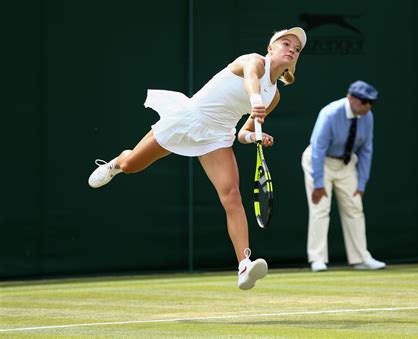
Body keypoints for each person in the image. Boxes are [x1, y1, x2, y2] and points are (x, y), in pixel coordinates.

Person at [88, 27, 307, 289]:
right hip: (188, 119)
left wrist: (256, 138)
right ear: (270, 48)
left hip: (216, 137)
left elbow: (244, 133)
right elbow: (251, 77)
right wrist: (255, 96)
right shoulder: (253, 61)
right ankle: (116, 163)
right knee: (132, 164)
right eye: (286, 43)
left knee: (232, 195)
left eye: (296, 49)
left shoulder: (275, 96)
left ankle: (244, 265)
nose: (292, 49)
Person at [301, 80, 386, 272]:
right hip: (319, 162)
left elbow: (366, 150)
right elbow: (317, 151)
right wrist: (319, 183)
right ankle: (317, 258)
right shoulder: (330, 114)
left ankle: (361, 258)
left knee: (355, 208)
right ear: (351, 99)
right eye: (364, 102)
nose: (368, 106)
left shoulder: (368, 116)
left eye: (370, 103)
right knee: (320, 209)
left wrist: (362, 183)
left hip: (346, 165)